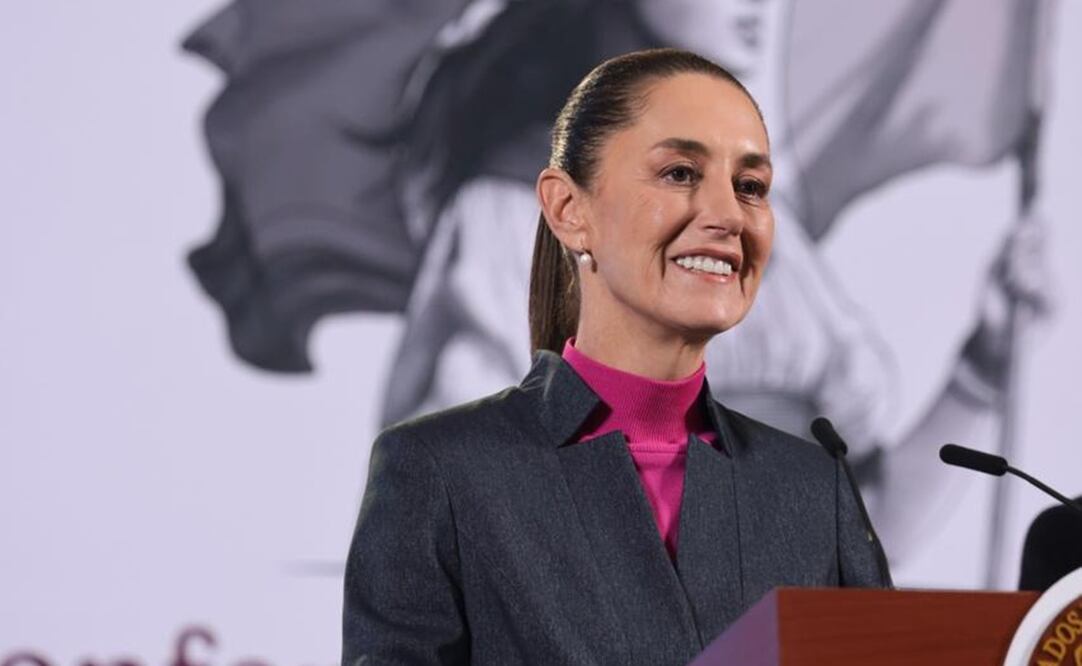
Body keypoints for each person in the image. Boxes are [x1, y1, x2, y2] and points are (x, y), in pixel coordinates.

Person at [342, 48, 890, 666]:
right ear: (569, 211)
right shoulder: (440, 472)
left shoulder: (815, 489)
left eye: (751, 186)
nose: (728, 215)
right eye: (681, 173)